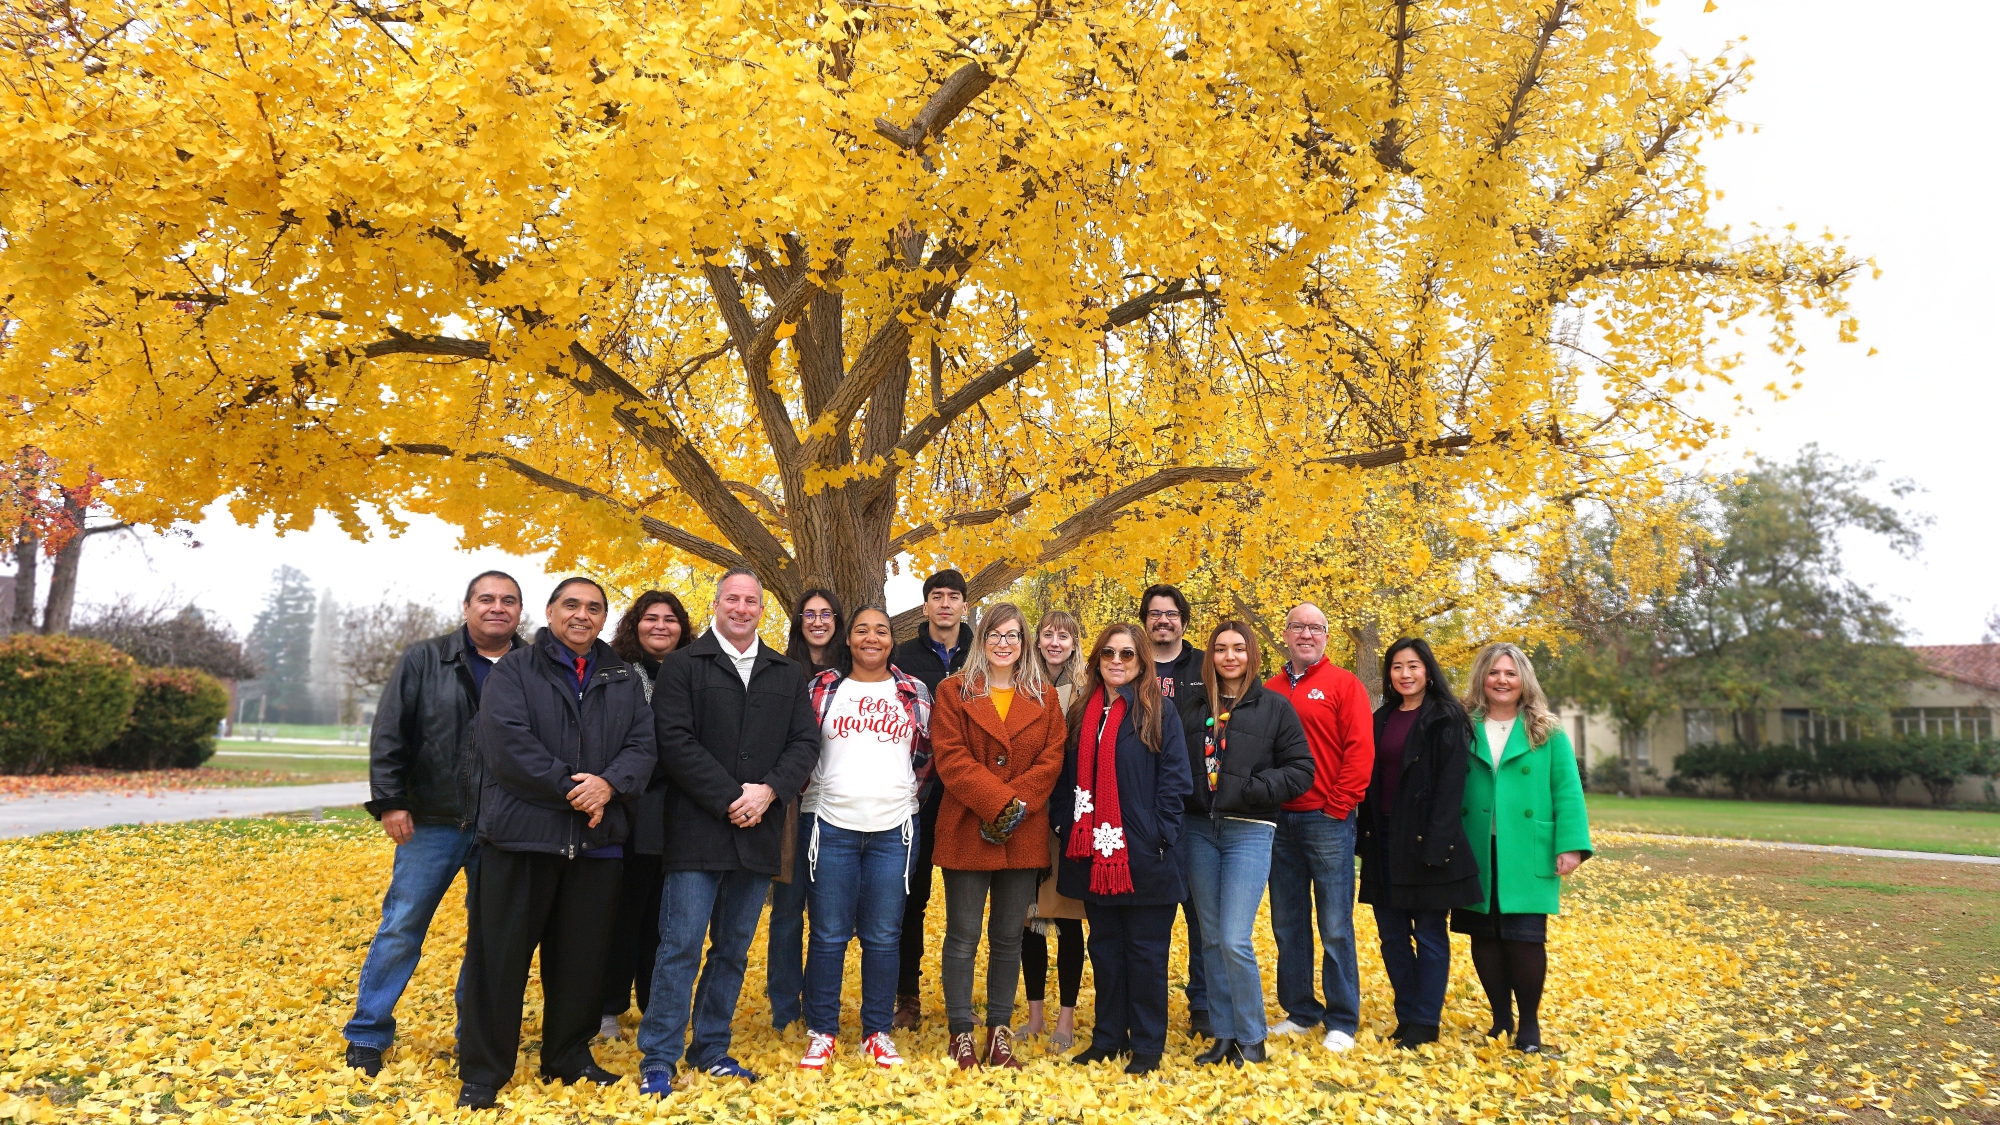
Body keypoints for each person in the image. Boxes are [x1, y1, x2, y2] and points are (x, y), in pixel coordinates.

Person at [456, 578, 657, 1109]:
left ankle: (567, 1056)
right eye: (572, 605)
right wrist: (578, 789)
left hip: (597, 845)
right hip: (523, 840)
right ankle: (483, 1069)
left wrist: (609, 785)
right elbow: (507, 747)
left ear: (604, 619)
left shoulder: (621, 676)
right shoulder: (515, 671)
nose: (582, 616)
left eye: (594, 608)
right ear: (549, 612)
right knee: (498, 960)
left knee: (581, 962)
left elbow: (643, 745)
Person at [638, 569, 820, 1096]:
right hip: (697, 828)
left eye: (751, 601)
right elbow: (673, 740)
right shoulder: (683, 665)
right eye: (732, 599)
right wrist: (729, 796)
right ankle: (660, 1056)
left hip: (759, 829)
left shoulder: (786, 673)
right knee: (680, 945)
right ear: (717, 604)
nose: (741, 609)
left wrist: (768, 792)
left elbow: (805, 743)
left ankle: (711, 1046)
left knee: (733, 948)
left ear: (763, 609)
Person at [345, 571, 524, 1077]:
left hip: (502, 827)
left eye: (508, 601)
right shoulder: (425, 658)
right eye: (486, 599)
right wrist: (392, 801)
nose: (497, 607)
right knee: (402, 926)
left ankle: (476, 1038)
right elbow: (390, 733)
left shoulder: (533, 665)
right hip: (433, 821)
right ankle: (367, 1032)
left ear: (520, 612)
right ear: (466, 606)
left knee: (488, 938)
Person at [927, 602, 1067, 1070]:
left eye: (1013, 635)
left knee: (1010, 936)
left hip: (1022, 835)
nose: (1003, 643)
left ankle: (999, 1032)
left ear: (1024, 643)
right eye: (994, 634)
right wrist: (998, 803)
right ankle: (961, 1032)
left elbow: (1050, 762)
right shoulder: (953, 692)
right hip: (967, 827)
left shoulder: (1044, 698)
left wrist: (1014, 808)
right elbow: (950, 758)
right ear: (981, 639)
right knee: (963, 935)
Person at [796, 606, 934, 1071]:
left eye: (881, 630)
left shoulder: (913, 692)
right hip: (830, 825)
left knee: (883, 935)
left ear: (891, 640)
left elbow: (925, 755)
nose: (871, 638)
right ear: (848, 639)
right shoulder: (823, 688)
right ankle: (822, 1032)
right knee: (829, 935)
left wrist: (899, 792)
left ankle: (877, 1032)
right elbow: (801, 747)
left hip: (893, 829)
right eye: (862, 630)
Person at [1053, 622, 1192, 1076]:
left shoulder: (1159, 711)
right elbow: (1068, 776)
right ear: (1096, 661)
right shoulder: (1082, 712)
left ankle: (1148, 1045)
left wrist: (1160, 834)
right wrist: (1065, 823)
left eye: (1127, 654)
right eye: (1108, 653)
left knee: (1146, 954)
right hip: (1096, 854)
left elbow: (1176, 780)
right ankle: (1108, 1038)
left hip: (1145, 854)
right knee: (1106, 949)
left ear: (1141, 661)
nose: (1117, 661)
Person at [1180, 621, 1315, 1067]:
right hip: (1199, 831)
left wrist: (1253, 789)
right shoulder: (1193, 705)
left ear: (1251, 655)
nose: (1230, 657)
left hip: (1249, 831)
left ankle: (1252, 1036)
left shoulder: (1274, 707)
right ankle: (1224, 1034)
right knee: (1213, 940)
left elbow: (1301, 770)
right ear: (1211, 657)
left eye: (1238, 649)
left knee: (1236, 938)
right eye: (1221, 649)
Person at [1455, 641, 1592, 1054]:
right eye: (1494, 673)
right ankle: (1501, 1018)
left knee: (1525, 938)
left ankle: (1529, 1024)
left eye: (1510, 674)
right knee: (1484, 935)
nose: (1501, 680)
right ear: (1482, 677)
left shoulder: (1546, 730)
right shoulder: (1462, 726)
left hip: (1528, 846)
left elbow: (1567, 790)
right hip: (1475, 845)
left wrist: (1571, 846)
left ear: (1523, 680)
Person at [1356, 638, 1482, 1050]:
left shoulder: (1446, 717)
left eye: (1413, 665)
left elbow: (1451, 787)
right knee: (1392, 936)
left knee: (1429, 933)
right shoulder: (1382, 717)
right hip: (1385, 841)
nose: (1404, 674)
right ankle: (1406, 1015)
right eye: (1396, 667)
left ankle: (1426, 1020)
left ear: (1428, 671)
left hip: (1428, 841)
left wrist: (1437, 844)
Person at [1263, 603, 1374, 1054]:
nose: (1307, 634)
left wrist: (1338, 806)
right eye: (1298, 627)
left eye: (1316, 628)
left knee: (1334, 923)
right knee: (1288, 924)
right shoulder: (1267, 689)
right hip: (1276, 823)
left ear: (1326, 636)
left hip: (1326, 819)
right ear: (1285, 634)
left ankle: (1342, 1018)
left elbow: (1359, 750)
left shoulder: (1344, 684)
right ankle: (1301, 1011)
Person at [598, 590, 692, 1040]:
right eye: (650, 618)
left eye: (670, 619)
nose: (660, 626)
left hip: (679, 811)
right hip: (627, 809)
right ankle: (608, 1009)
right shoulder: (616, 673)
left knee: (666, 915)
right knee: (621, 912)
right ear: (635, 625)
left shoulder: (694, 671)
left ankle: (657, 1005)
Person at [889, 568, 974, 1029]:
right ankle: (906, 995)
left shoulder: (986, 654)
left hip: (970, 797)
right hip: (917, 796)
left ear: (964, 605)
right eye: (936, 596)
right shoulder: (900, 658)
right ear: (925, 606)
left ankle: (964, 1000)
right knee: (911, 898)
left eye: (953, 597)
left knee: (971, 901)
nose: (945, 604)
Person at [768, 587, 848, 1029]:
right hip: (791, 804)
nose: (817, 621)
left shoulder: (855, 673)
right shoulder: (782, 671)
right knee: (786, 910)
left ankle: (821, 1004)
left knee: (829, 914)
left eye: (826, 614)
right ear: (798, 621)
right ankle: (784, 1007)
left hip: (839, 805)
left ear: (837, 619)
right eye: (809, 614)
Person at [1140, 583, 1210, 1038]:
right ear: (1145, 620)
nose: (1163, 621)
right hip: (1143, 809)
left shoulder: (1205, 664)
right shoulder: (1130, 664)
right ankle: (1148, 1008)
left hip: (1199, 810)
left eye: (1171, 614)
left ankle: (1203, 1004)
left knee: (1202, 915)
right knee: (1151, 917)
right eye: (1154, 614)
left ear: (1183, 620)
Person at [1021, 609, 1088, 1049]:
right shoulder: (1023, 686)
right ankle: (1034, 1014)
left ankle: (1065, 1019)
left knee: (1067, 921)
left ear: (1074, 643)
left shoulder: (1085, 693)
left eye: (1063, 636)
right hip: (1029, 817)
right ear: (1038, 641)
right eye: (1048, 635)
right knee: (1029, 919)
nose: (1055, 643)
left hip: (1069, 816)